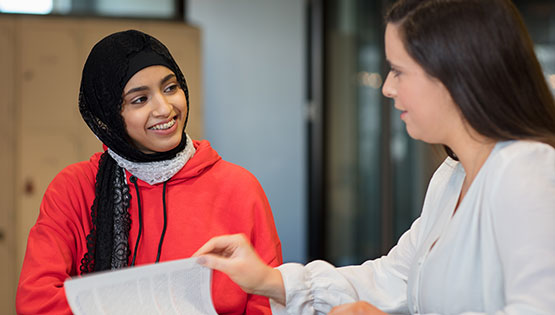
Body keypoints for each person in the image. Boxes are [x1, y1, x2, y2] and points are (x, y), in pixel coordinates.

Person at [193, 0, 555, 314]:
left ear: (455, 73)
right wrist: (269, 280)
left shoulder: (525, 170)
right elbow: (394, 277)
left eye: (398, 71)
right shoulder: (453, 175)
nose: (387, 87)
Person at [16, 29, 283, 314]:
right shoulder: (75, 188)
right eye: (140, 99)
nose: (164, 108)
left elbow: (269, 300)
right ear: (109, 115)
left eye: (170, 87)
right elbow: (37, 302)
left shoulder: (239, 187)